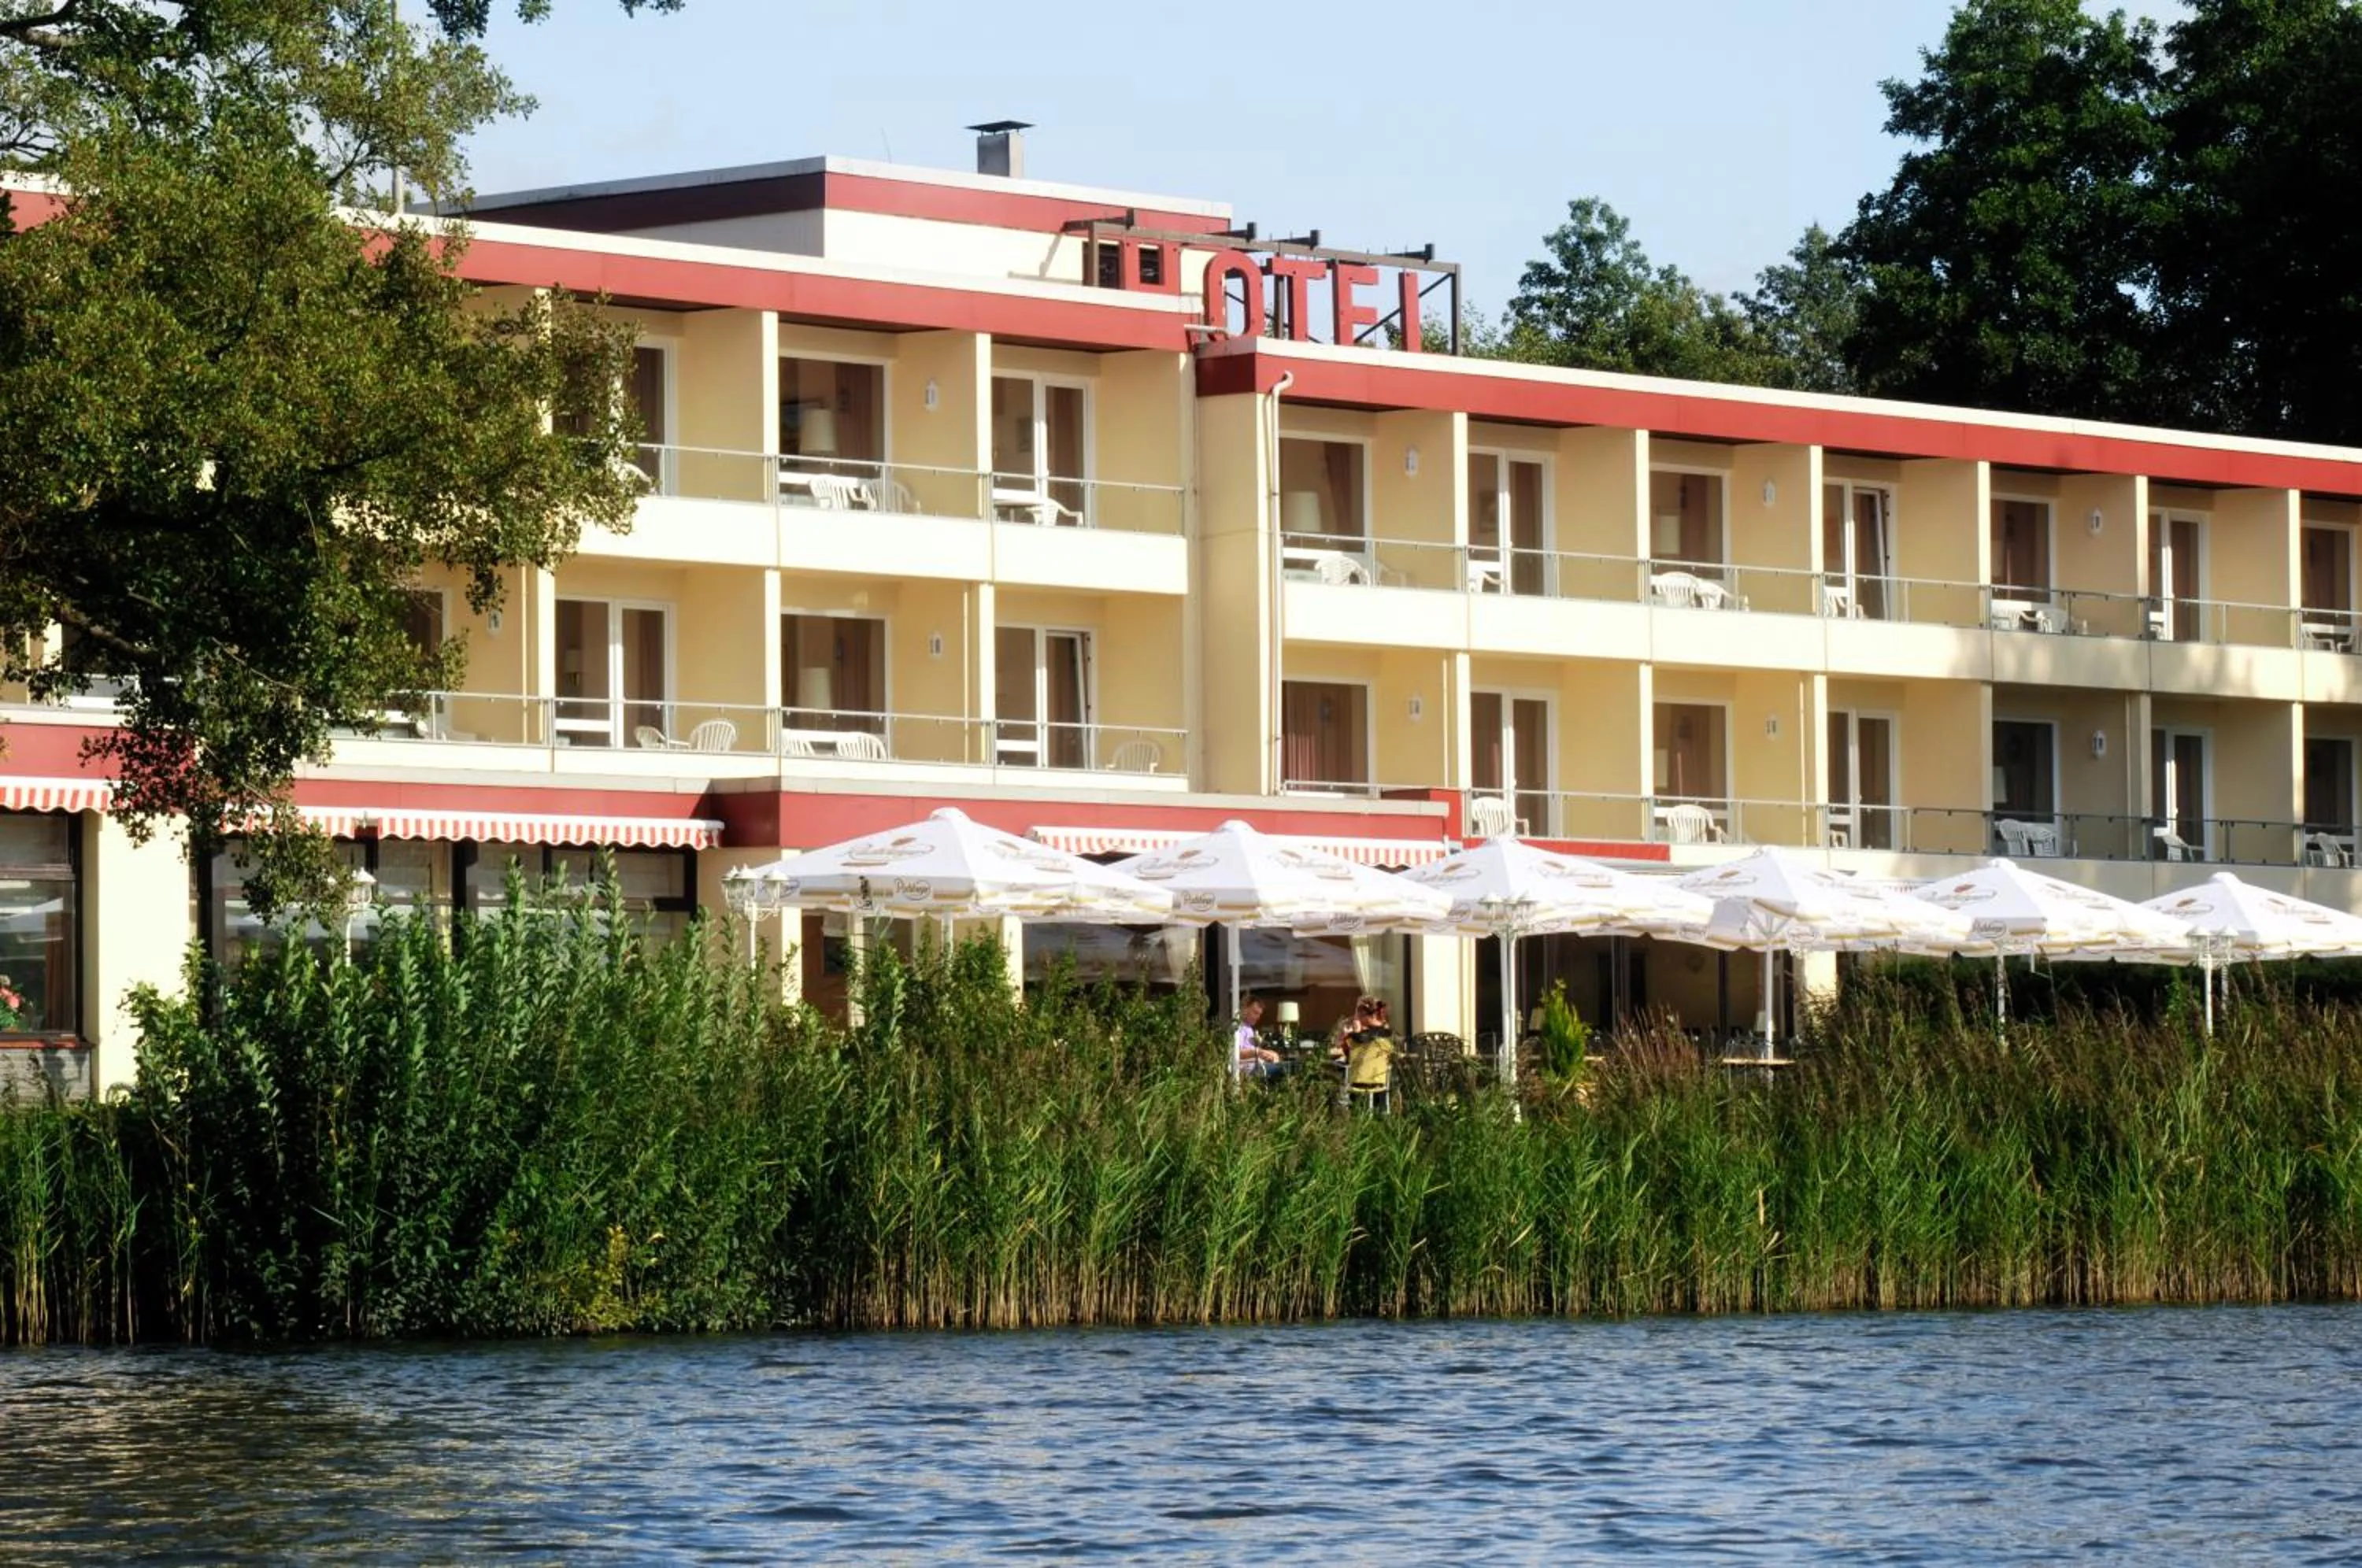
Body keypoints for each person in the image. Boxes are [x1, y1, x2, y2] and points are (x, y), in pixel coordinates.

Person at [1342, 996, 1399, 1108]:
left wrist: (1354, 1031)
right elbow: (1394, 1055)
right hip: (1380, 1083)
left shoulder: (1353, 1038)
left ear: (1366, 1015)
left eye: (1359, 1014)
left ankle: (1353, 1111)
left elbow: (1346, 1053)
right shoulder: (1390, 1037)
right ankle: (1382, 1111)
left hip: (1357, 1082)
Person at [1234, 997, 1283, 1078]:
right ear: (1245, 1009)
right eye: (1255, 1013)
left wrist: (1267, 1053)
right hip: (1248, 1069)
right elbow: (1236, 1053)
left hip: (1255, 1065)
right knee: (1285, 1069)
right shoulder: (1239, 1027)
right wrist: (1258, 1053)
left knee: (1286, 1066)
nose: (1258, 1017)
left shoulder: (1248, 1028)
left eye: (1260, 1014)